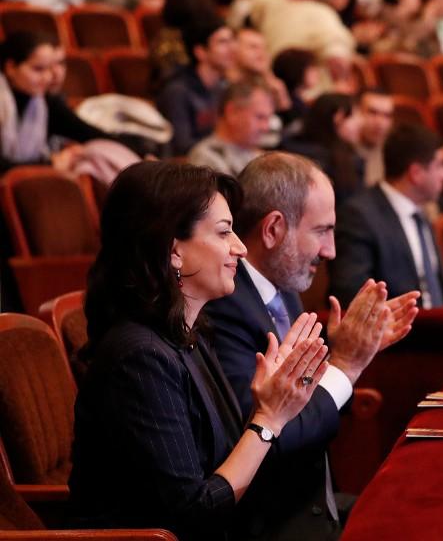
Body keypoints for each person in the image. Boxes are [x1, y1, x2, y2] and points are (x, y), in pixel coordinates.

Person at [68, 161, 331, 540]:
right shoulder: (138, 358)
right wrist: (269, 419)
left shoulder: (190, 333)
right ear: (173, 249)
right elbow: (194, 513)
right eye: (224, 233)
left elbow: (224, 461)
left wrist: (269, 406)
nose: (240, 248)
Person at [202, 152, 418, 540]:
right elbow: (269, 438)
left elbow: (307, 407)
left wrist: (345, 360)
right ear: (273, 229)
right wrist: (345, 365)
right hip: (272, 525)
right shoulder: (224, 305)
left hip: (316, 504)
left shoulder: (282, 288)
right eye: (321, 231)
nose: (330, 250)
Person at [331, 123, 443, 308]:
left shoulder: (420, 214)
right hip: (401, 324)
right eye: (440, 166)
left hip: (440, 320)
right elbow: (352, 294)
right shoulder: (359, 216)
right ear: (416, 173)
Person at [0, 32, 114, 170]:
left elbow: (91, 134)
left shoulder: (44, 101)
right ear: (11, 67)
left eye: (49, 68)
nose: (48, 77)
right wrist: (50, 164)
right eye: (38, 69)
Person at [156, 17, 234, 156]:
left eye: (232, 40)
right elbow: (181, 146)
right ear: (200, 52)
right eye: (222, 42)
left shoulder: (223, 88)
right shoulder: (178, 91)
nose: (232, 49)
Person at [280, 93, 364, 205]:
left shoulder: (289, 145)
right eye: (354, 117)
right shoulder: (309, 157)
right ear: (338, 117)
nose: (360, 123)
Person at [188, 80, 274, 176]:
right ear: (232, 112)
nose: (265, 127)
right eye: (260, 117)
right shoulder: (205, 156)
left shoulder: (257, 156)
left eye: (268, 118)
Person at [351, 88, 394, 186]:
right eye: (372, 113)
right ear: (356, 113)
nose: (380, 123)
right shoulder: (339, 153)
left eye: (387, 116)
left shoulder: (394, 152)